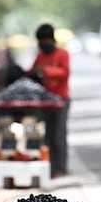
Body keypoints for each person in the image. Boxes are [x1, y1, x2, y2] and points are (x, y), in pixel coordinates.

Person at [27, 23, 71, 178]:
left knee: (59, 135)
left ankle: (61, 167)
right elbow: (32, 71)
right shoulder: (40, 56)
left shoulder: (62, 54)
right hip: (45, 101)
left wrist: (45, 70)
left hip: (61, 100)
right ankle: (49, 168)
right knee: (47, 136)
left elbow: (64, 73)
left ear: (51, 39)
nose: (43, 45)